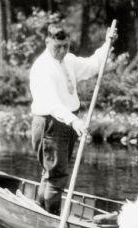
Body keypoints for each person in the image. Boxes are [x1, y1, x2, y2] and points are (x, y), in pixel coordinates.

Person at [29, 23, 116, 214]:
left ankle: (40, 210)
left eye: (65, 46)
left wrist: (107, 44)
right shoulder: (42, 68)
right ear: (47, 42)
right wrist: (74, 121)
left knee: (52, 173)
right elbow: (51, 103)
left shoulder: (69, 60)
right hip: (50, 123)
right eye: (57, 46)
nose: (61, 51)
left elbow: (93, 65)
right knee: (57, 175)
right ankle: (51, 217)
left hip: (66, 122)